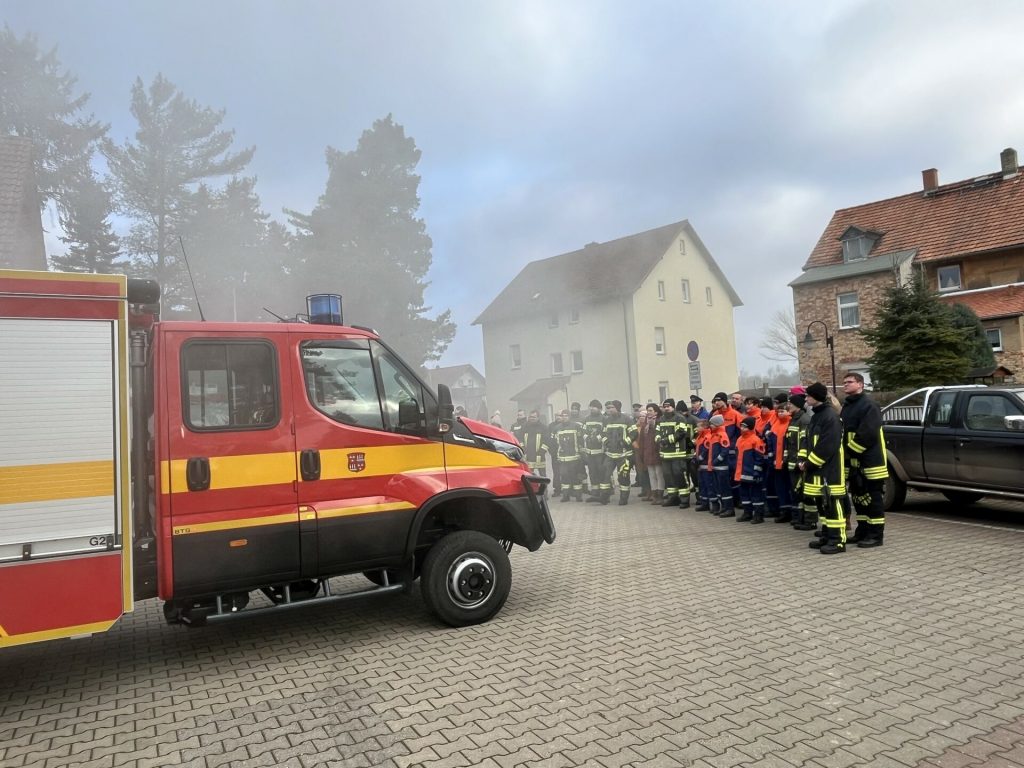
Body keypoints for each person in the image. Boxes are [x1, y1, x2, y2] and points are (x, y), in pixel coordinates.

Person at [840, 372, 888, 547]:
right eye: (844, 382)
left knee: (873, 500)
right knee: (860, 499)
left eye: (849, 382)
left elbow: (867, 433)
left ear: (860, 384)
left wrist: (850, 451)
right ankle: (862, 531)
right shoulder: (848, 405)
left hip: (870, 463)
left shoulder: (869, 405)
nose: (845, 385)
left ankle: (876, 535)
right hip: (855, 463)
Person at [801, 382, 847, 554]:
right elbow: (808, 440)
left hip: (829, 470)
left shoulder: (830, 417)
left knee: (833, 504)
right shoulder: (817, 416)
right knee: (823, 504)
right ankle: (827, 536)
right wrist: (802, 458)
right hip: (818, 469)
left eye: (808, 396)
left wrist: (809, 463)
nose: (806, 399)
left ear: (817, 397)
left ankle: (838, 541)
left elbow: (828, 446)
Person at [657, 398, 692, 508]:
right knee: (668, 476)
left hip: (677, 453)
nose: (666, 408)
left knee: (679, 474)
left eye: (668, 406)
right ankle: (673, 497)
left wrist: (666, 440)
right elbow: (657, 432)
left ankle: (684, 499)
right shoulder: (661, 419)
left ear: (673, 407)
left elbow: (681, 433)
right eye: (665, 406)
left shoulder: (680, 418)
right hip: (665, 454)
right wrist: (658, 439)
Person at [603, 400, 637, 505]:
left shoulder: (627, 419)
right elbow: (603, 434)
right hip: (610, 454)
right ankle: (604, 497)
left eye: (611, 407)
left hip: (624, 455)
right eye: (608, 408)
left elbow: (634, 433)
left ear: (617, 408)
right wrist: (606, 442)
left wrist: (625, 442)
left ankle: (624, 498)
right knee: (605, 474)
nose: (609, 410)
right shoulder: (607, 420)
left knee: (623, 476)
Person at [735, 417, 767, 523]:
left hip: (752, 473)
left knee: (756, 495)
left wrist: (757, 472)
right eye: (741, 426)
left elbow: (759, 458)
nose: (742, 428)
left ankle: (758, 515)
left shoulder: (756, 440)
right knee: (744, 494)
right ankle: (747, 513)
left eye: (744, 426)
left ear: (750, 427)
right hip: (742, 473)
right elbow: (737, 457)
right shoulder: (739, 439)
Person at [552, 409, 584, 502]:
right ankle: (565, 496)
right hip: (562, 458)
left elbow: (581, 440)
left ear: (569, 417)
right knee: (564, 476)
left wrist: (581, 453)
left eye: (566, 416)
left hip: (575, 456)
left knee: (576, 477)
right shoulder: (556, 428)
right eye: (562, 416)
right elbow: (553, 443)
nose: (564, 418)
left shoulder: (576, 426)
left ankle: (578, 496)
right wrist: (556, 455)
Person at [707, 414, 735, 517]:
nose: (711, 426)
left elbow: (725, 450)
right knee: (719, 489)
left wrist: (716, 461)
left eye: (712, 424)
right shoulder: (714, 434)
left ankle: (729, 509)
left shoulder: (722, 435)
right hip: (716, 467)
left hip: (721, 467)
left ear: (717, 424)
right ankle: (723, 507)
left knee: (725, 489)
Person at [582, 399, 608, 502]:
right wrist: (587, 437)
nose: (592, 408)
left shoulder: (604, 419)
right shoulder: (586, 419)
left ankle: (604, 494)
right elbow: (583, 431)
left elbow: (605, 432)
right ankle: (595, 493)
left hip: (600, 452)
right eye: (591, 406)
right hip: (590, 451)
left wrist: (597, 438)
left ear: (600, 408)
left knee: (602, 472)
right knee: (592, 472)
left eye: (594, 406)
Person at [640, 404, 664, 504]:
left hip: (657, 451)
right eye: (648, 410)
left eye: (650, 410)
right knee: (651, 474)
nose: (648, 412)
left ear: (656, 412)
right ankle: (654, 495)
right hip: (648, 451)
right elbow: (642, 438)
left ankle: (660, 496)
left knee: (659, 474)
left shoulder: (659, 421)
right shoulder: (646, 423)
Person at [519, 410, 548, 479]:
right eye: (531, 417)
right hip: (528, 456)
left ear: (538, 417)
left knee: (542, 475)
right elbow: (520, 439)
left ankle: (544, 489)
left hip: (539, 456)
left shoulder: (543, 427)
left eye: (534, 417)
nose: (532, 418)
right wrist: (523, 450)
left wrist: (541, 452)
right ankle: (531, 489)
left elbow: (546, 441)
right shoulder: (524, 427)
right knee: (528, 475)